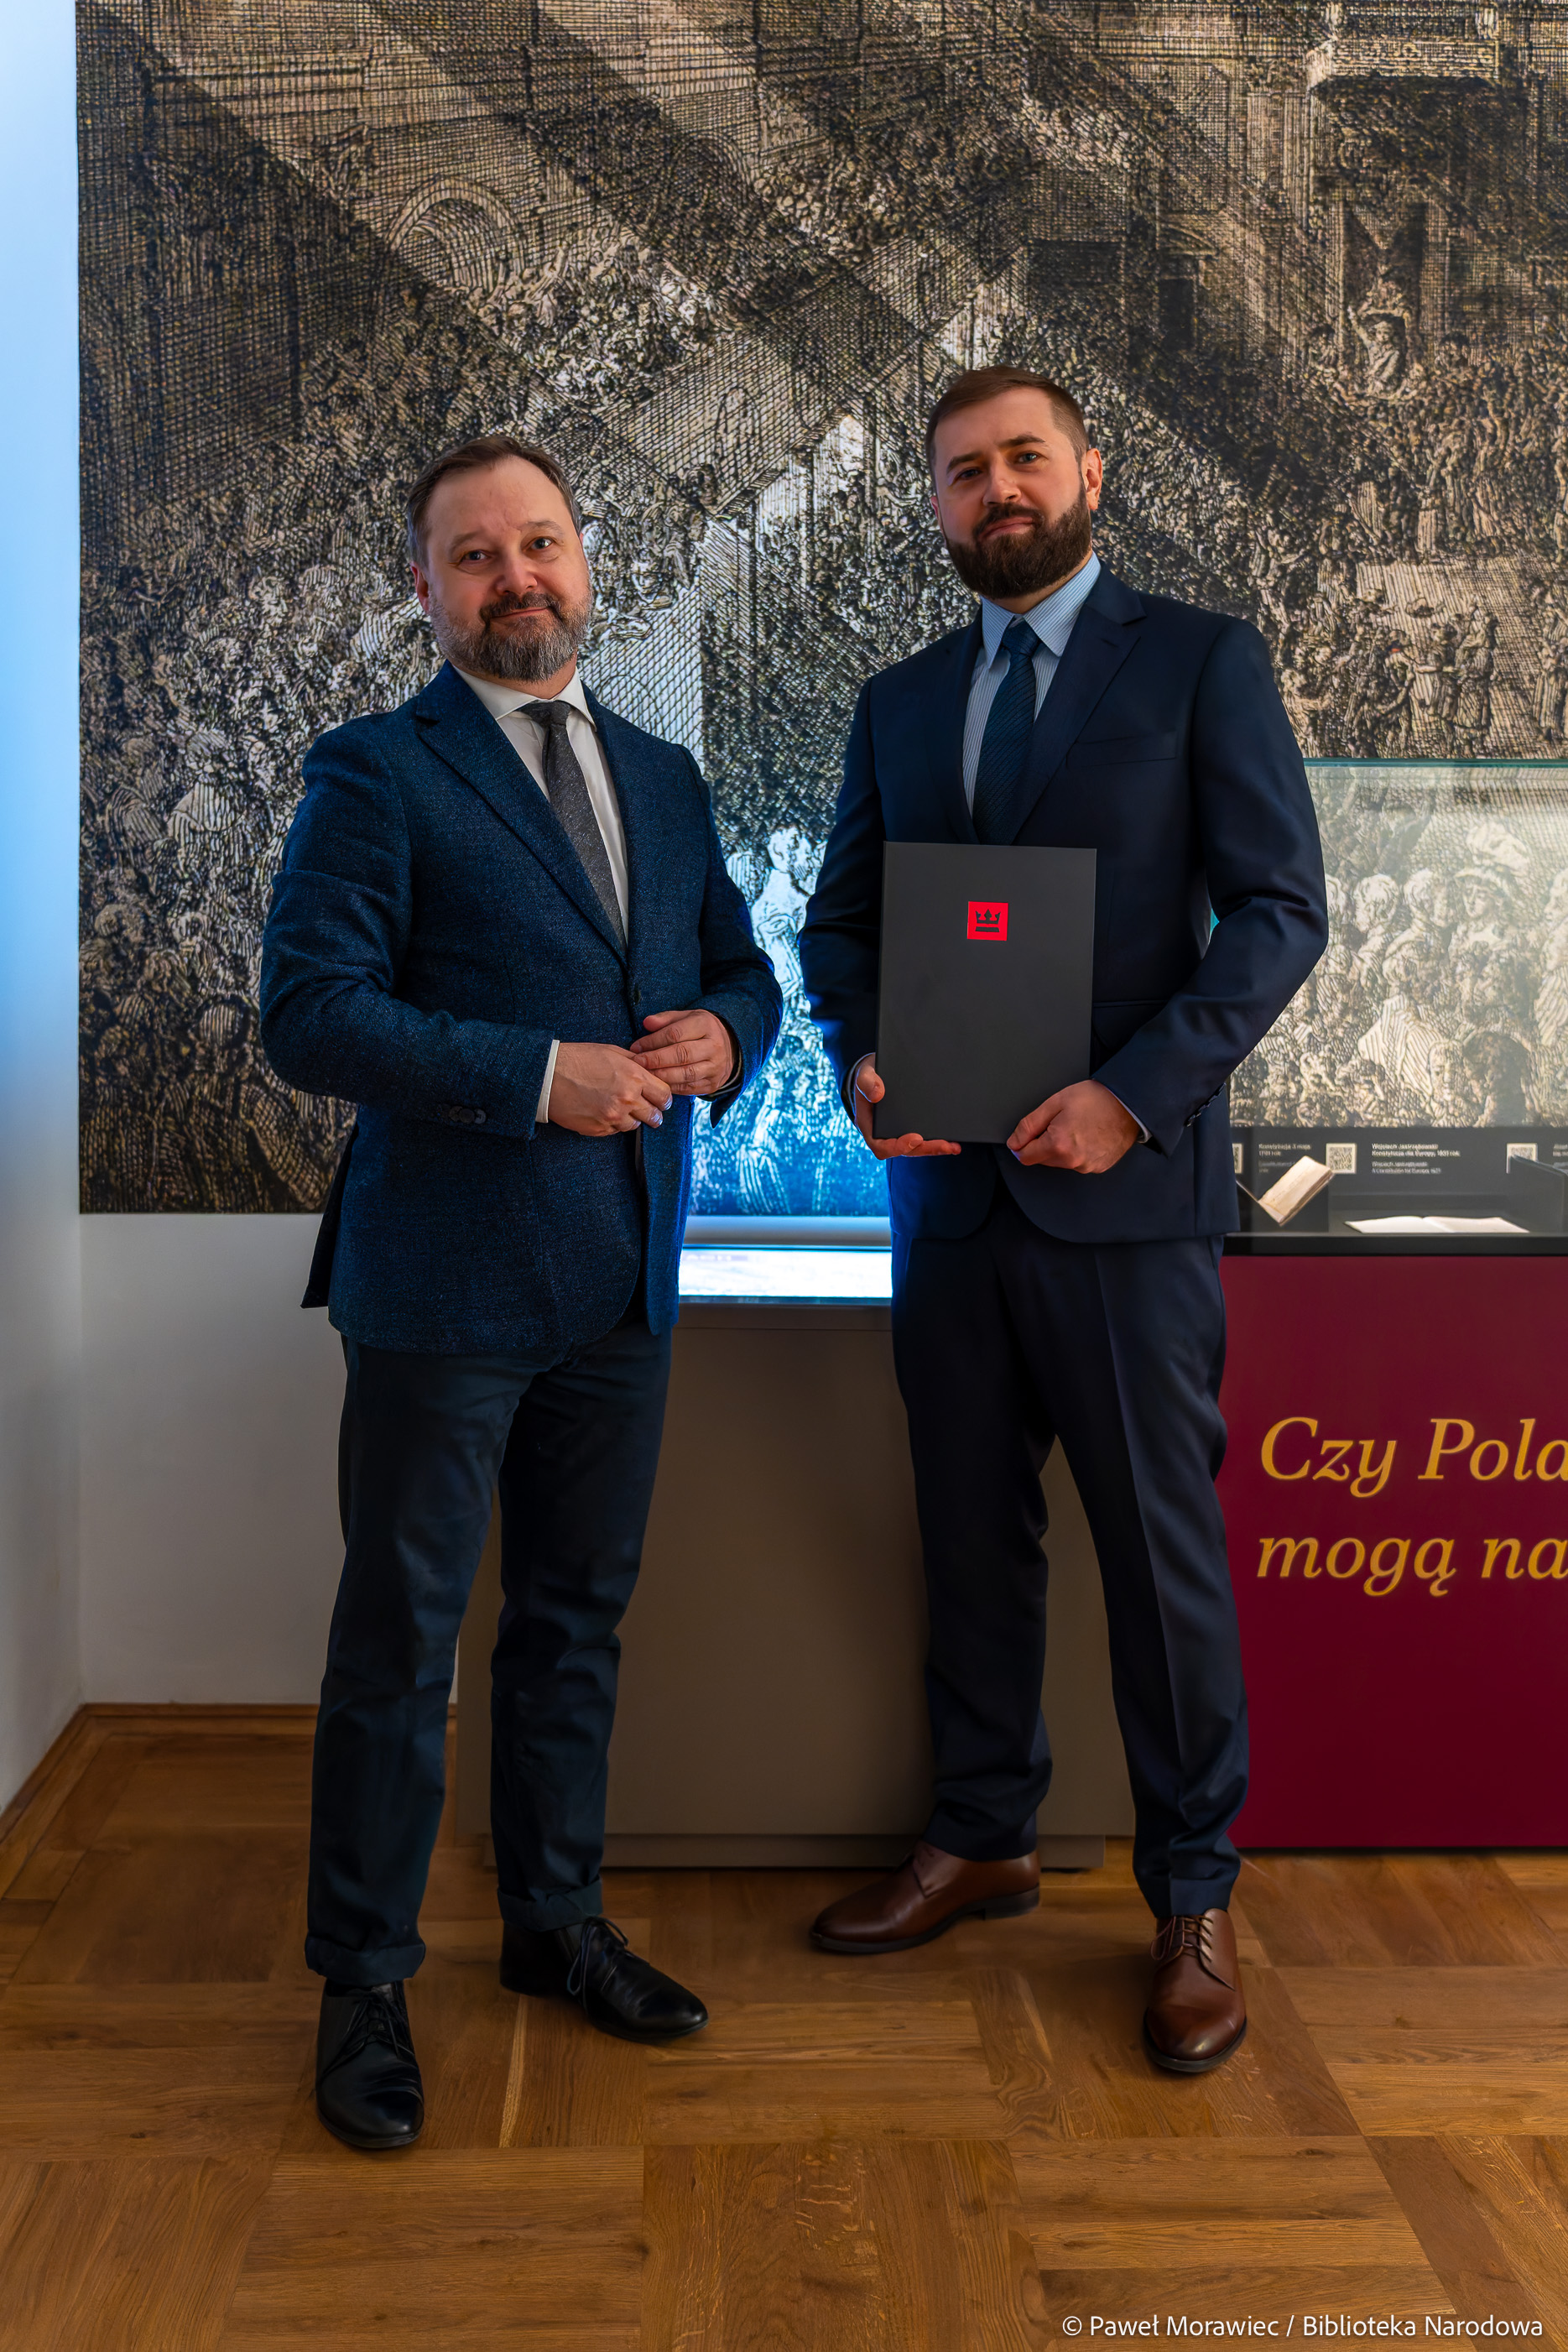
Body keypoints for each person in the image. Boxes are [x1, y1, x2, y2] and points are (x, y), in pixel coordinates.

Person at [798, 365, 1327, 2073]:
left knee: (1161, 1562)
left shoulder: (1199, 662)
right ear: (935, 505)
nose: (996, 489)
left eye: (1023, 457)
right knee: (968, 1539)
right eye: (962, 472)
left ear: (1088, 472)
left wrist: (1133, 1093)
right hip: (947, 1204)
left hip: (1125, 1204)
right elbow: (840, 926)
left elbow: (1276, 911)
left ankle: (1192, 1897)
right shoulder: (898, 699)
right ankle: (980, 1834)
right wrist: (862, 1059)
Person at [260, 434, 782, 2152]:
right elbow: (311, 1014)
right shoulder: (374, 770)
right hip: (440, 1289)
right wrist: (536, 1075)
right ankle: (363, 1981)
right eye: (474, 555)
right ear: (425, 587)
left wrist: (728, 1037)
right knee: (399, 1648)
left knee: (571, 1628)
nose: (515, 578)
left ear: (583, 561)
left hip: (621, 1280)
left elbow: (738, 967)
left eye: (538, 543)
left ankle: (554, 1925)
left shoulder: (663, 774)